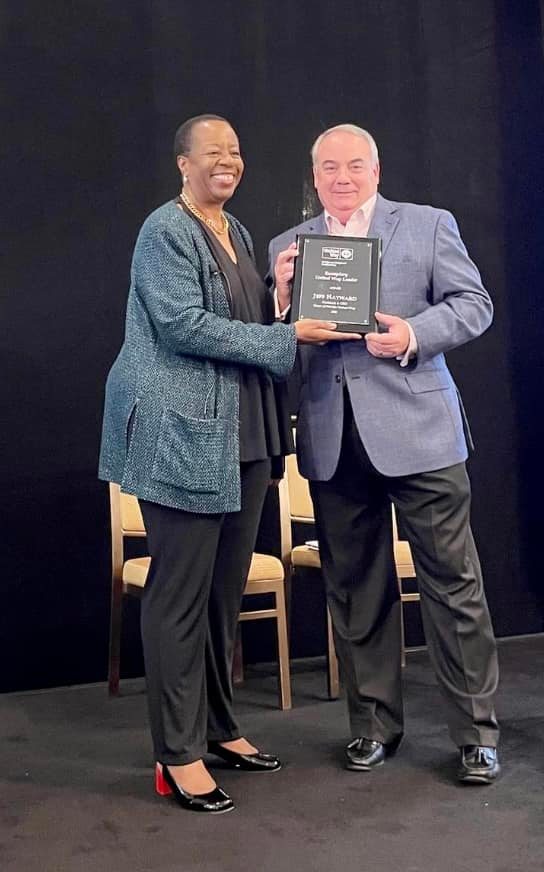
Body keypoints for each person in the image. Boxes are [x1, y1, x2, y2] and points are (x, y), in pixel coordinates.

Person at [99, 115, 357, 814]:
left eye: (236, 151)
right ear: (182, 163)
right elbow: (182, 325)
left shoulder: (236, 232)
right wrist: (287, 336)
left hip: (241, 435)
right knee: (178, 597)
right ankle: (175, 754)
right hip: (181, 431)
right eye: (212, 151)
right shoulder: (164, 230)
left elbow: (247, 319)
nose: (227, 161)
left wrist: (280, 301)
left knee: (220, 593)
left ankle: (217, 729)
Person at [269, 123, 500, 785]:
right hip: (333, 438)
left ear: (375, 169)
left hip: (421, 431)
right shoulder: (288, 248)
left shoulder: (426, 225)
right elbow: (275, 344)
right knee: (354, 592)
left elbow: (472, 304)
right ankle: (371, 725)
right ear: (313, 177)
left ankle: (477, 735)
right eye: (328, 168)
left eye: (354, 165)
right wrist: (280, 300)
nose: (342, 178)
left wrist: (412, 333)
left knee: (454, 589)